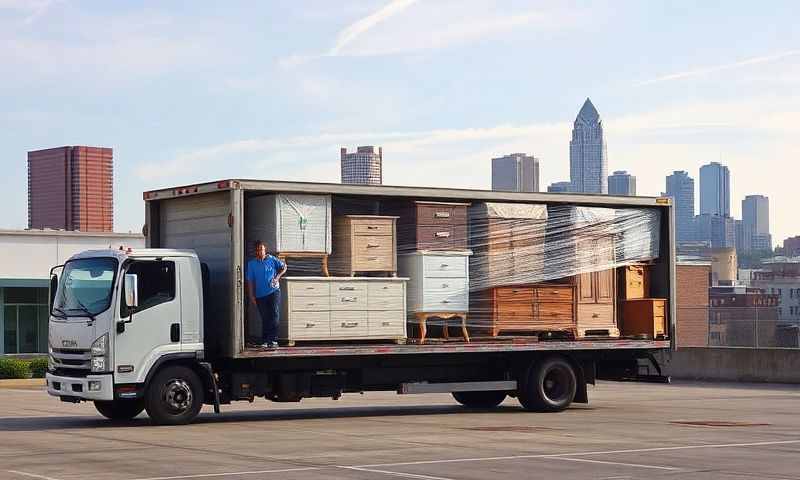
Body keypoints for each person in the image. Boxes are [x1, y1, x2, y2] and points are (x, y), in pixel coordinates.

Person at [246, 240, 287, 349]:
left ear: (265, 250)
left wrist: (277, 277)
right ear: (255, 251)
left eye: (262, 249)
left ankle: (272, 340)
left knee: (274, 314)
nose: (260, 252)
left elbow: (284, 267)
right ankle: (265, 340)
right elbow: (250, 281)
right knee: (265, 317)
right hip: (260, 294)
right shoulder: (251, 264)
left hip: (273, 291)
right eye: (258, 250)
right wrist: (251, 295)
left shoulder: (271, 259)